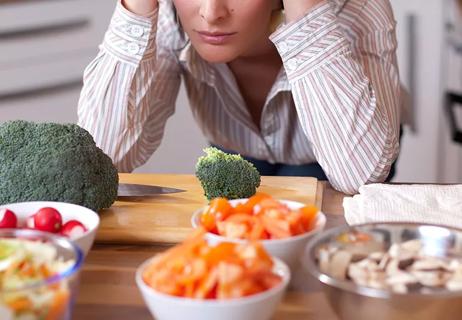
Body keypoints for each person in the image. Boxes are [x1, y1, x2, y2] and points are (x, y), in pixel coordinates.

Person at [78, 0, 402, 195]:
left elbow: (359, 176)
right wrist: (136, 10)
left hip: (344, 145)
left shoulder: (355, 9)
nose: (211, 13)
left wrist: (306, 11)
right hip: (236, 148)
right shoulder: (168, 14)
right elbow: (103, 157)